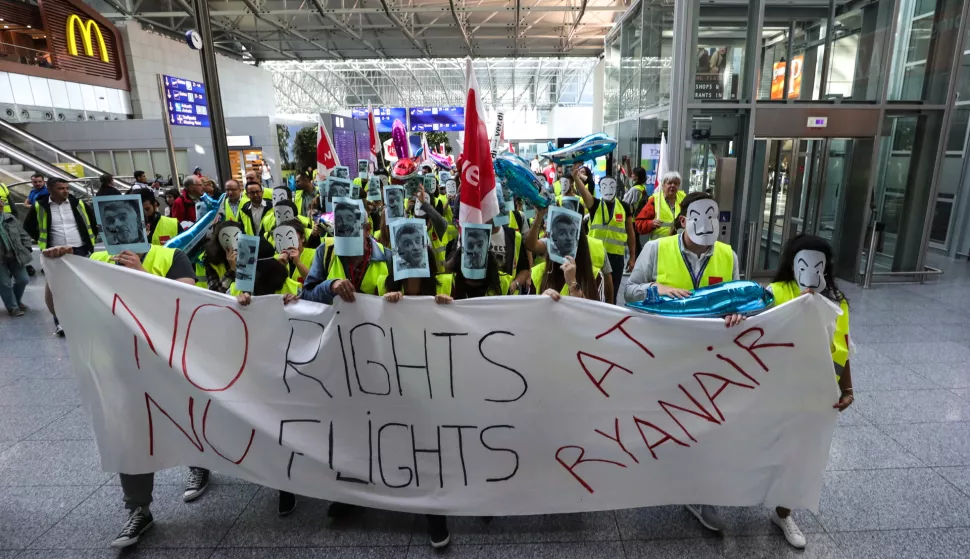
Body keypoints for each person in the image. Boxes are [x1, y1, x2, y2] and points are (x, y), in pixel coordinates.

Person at [40, 239, 197, 548]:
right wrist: (54, 271)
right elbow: (59, 307)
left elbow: (186, 301)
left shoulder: (171, 256)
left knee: (188, 422)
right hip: (122, 368)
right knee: (130, 436)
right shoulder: (96, 259)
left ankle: (199, 464)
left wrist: (140, 274)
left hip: (171, 364)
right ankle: (139, 509)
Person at [623, 191, 742, 534]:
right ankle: (660, 479)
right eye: (698, 216)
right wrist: (655, 288)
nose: (706, 223)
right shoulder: (657, 250)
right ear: (683, 220)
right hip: (665, 354)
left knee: (709, 423)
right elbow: (630, 292)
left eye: (712, 217)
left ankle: (703, 495)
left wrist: (738, 309)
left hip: (710, 355)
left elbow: (736, 295)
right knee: (664, 419)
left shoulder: (727, 255)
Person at [765, 234, 854, 549]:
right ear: (792, 262)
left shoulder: (836, 303)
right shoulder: (775, 293)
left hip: (813, 393)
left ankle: (783, 512)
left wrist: (847, 387)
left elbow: (842, 347)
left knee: (799, 456)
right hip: (771, 392)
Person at [24, 177, 97, 336]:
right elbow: (28, 225)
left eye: (66, 188)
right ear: (50, 189)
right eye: (61, 188)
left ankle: (83, 319)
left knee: (81, 287)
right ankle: (60, 322)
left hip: (78, 249)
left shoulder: (78, 204)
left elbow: (92, 222)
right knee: (56, 288)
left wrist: (87, 241)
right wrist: (41, 239)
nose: (65, 191)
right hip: (54, 251)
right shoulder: (40, 206)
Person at [575, 171, 636, 302]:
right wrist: (575, 177)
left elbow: (630, 232)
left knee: (611, 292)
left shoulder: (624, 207)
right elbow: (583, 192)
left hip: (616, 257)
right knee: (592, 290)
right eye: (604, 186)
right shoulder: (595, 204)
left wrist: (632, 257)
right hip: (595, 255)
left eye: (611, 186)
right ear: (600, 188)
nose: (608, 189)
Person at [525, 205, 603, 301]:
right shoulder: (538, 274)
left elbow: (596, 313)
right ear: (553, 238)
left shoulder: (596, 275)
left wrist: (573, 284)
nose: (568, 238)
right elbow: (530, 312)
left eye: (572, 233)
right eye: (562, 233)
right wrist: (542, 301)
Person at [0, 196, 32, 316]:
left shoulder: (10, 218)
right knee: (5, 284)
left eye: (1, 203)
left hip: (15, 255)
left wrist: (27, 247)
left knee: (23, 279)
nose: (1, 205)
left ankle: (16, 301)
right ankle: (12, 307)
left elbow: (23, 234)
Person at [635, 171, 685, 241]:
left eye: (676, 183)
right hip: (659, 246)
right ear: (663, 185)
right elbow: (638, 224)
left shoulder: (684, 199)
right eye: (669, 183)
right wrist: (651, 224)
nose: (673, 185)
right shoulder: (655, 200)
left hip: (678, 246)